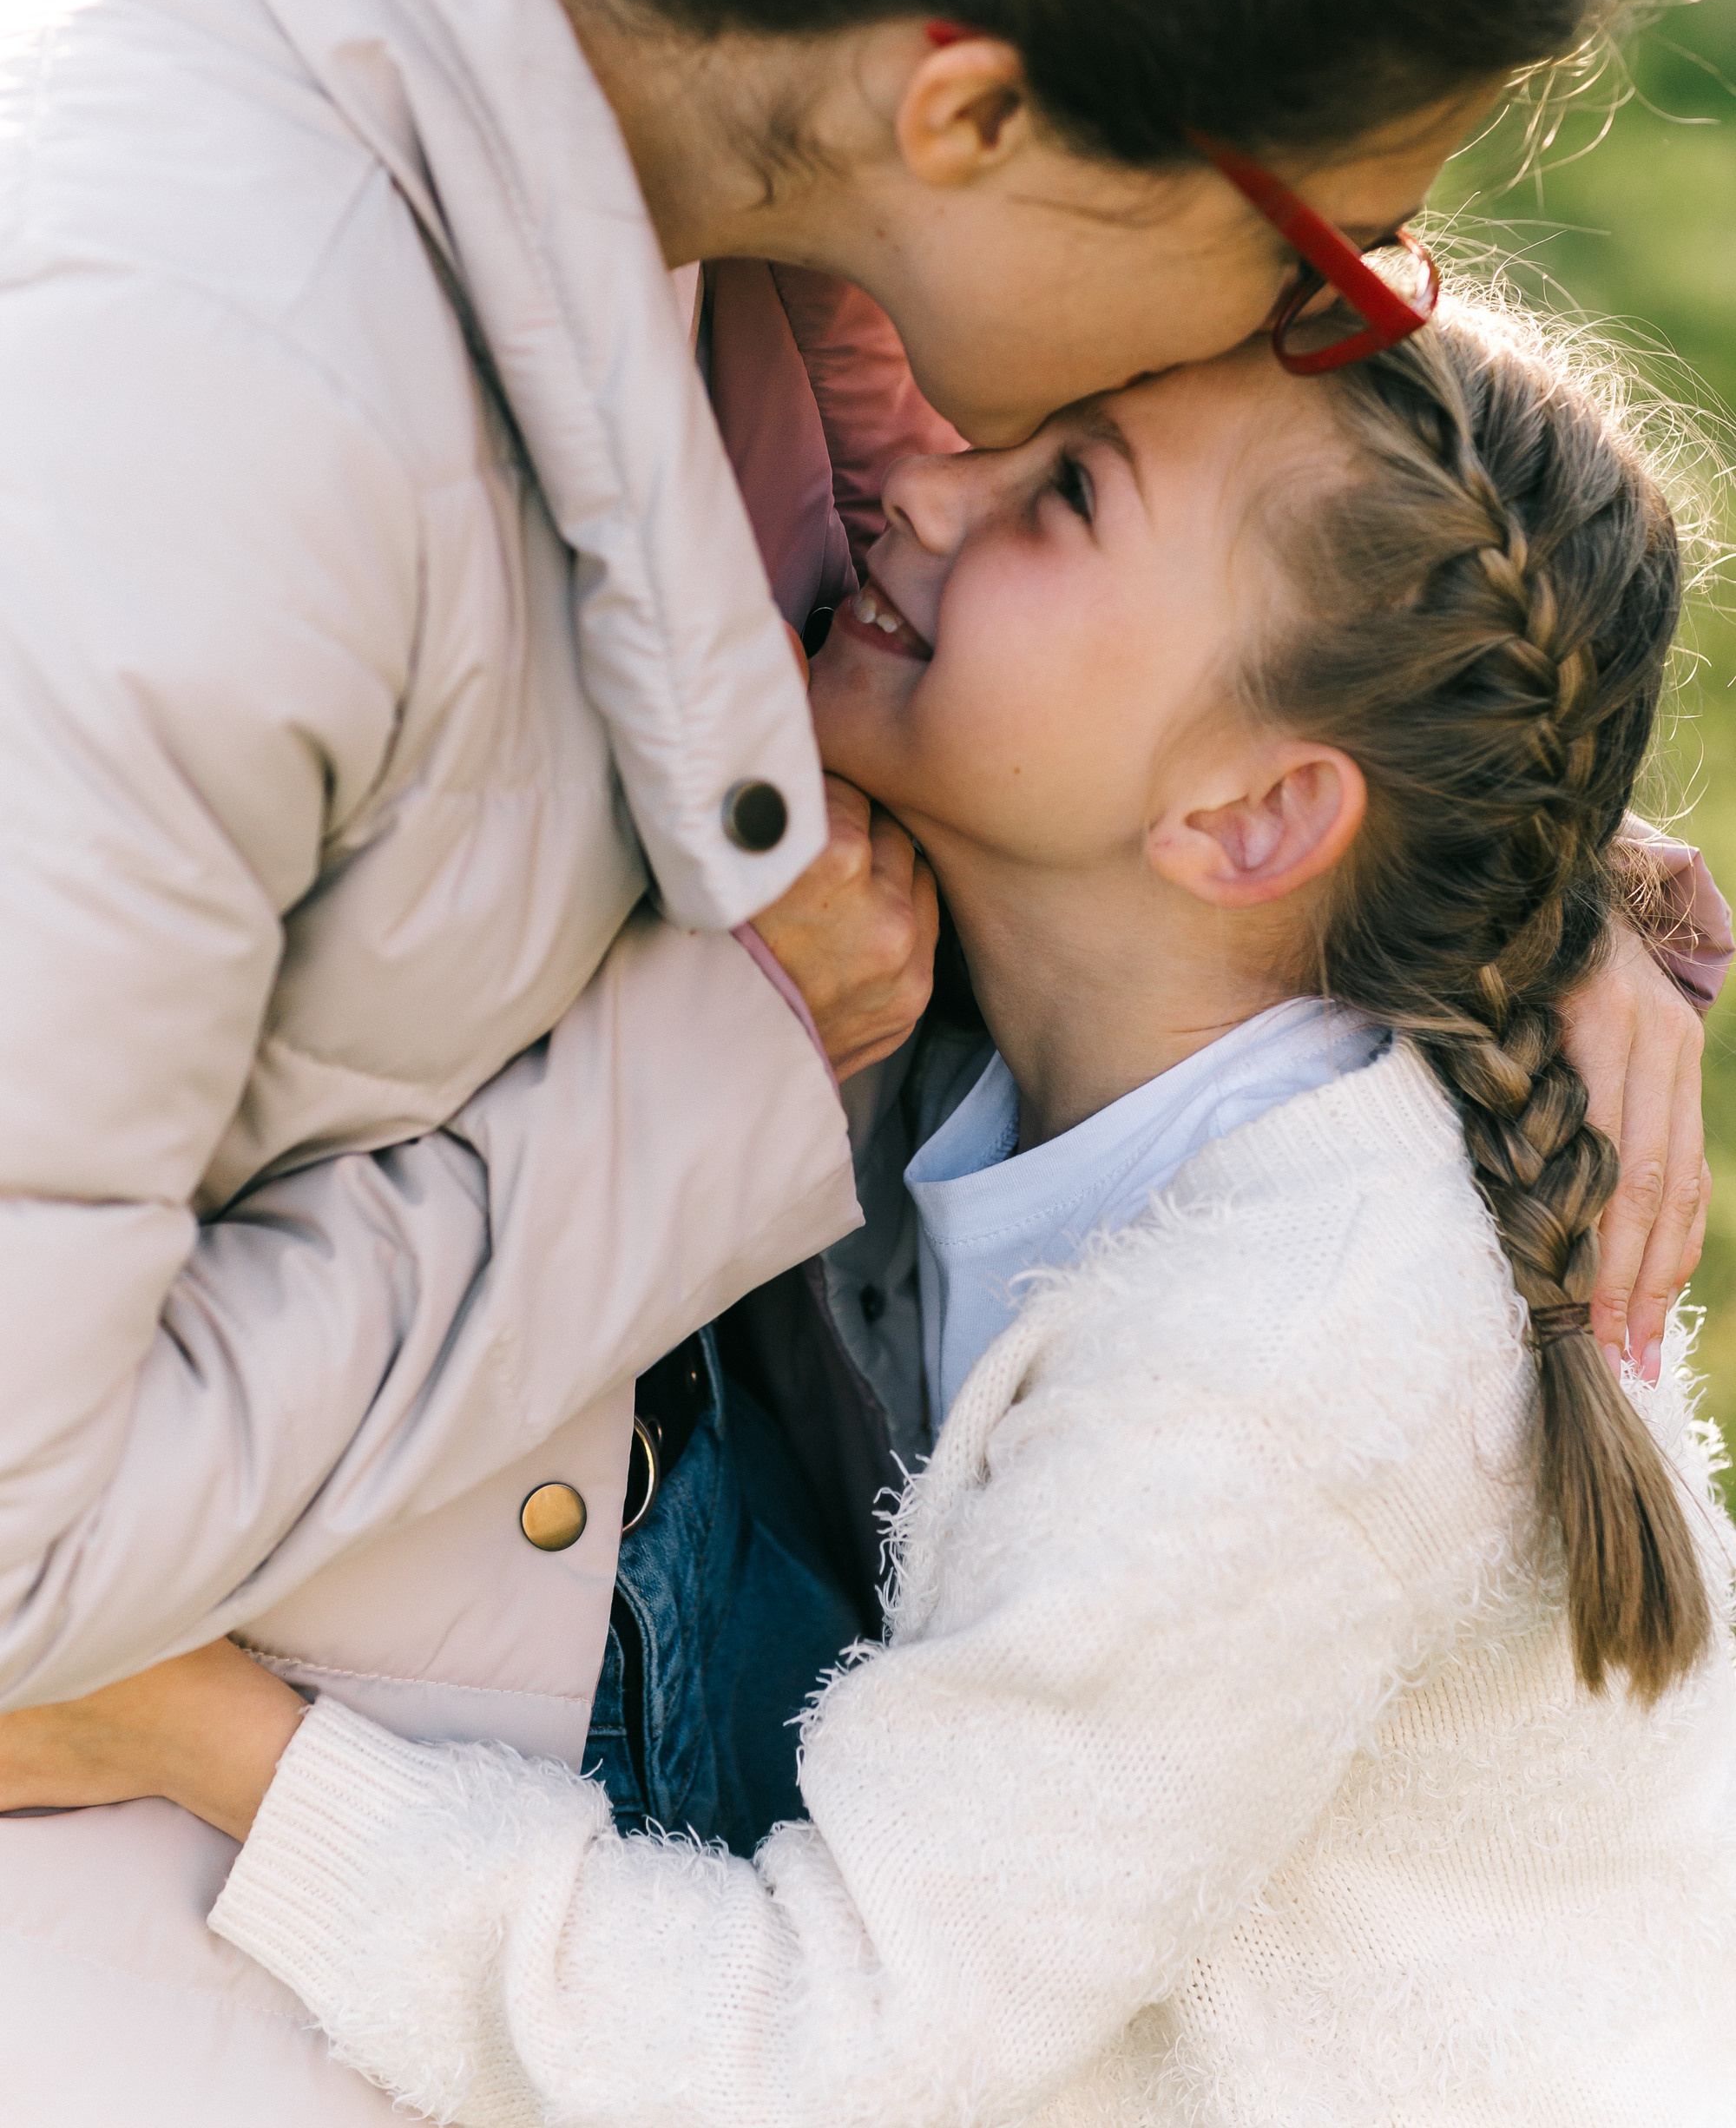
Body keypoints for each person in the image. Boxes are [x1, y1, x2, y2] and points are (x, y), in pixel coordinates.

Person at [0, 0, 1725, 2112]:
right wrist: (727, 1081)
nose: (1332, 342)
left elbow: (1254, 614)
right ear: (977, 105)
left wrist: (1488, 893)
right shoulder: (201, 415)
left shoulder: (768, 204)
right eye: (1340, 264)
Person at [15, 292, 1733, 2123]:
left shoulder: (1274, 1363)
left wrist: (192, 1732)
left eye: (1065, 492)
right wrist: (1576, 899)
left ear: (1247, 821)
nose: (924, 475)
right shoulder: (1041, 1051)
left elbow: (817, 2057)